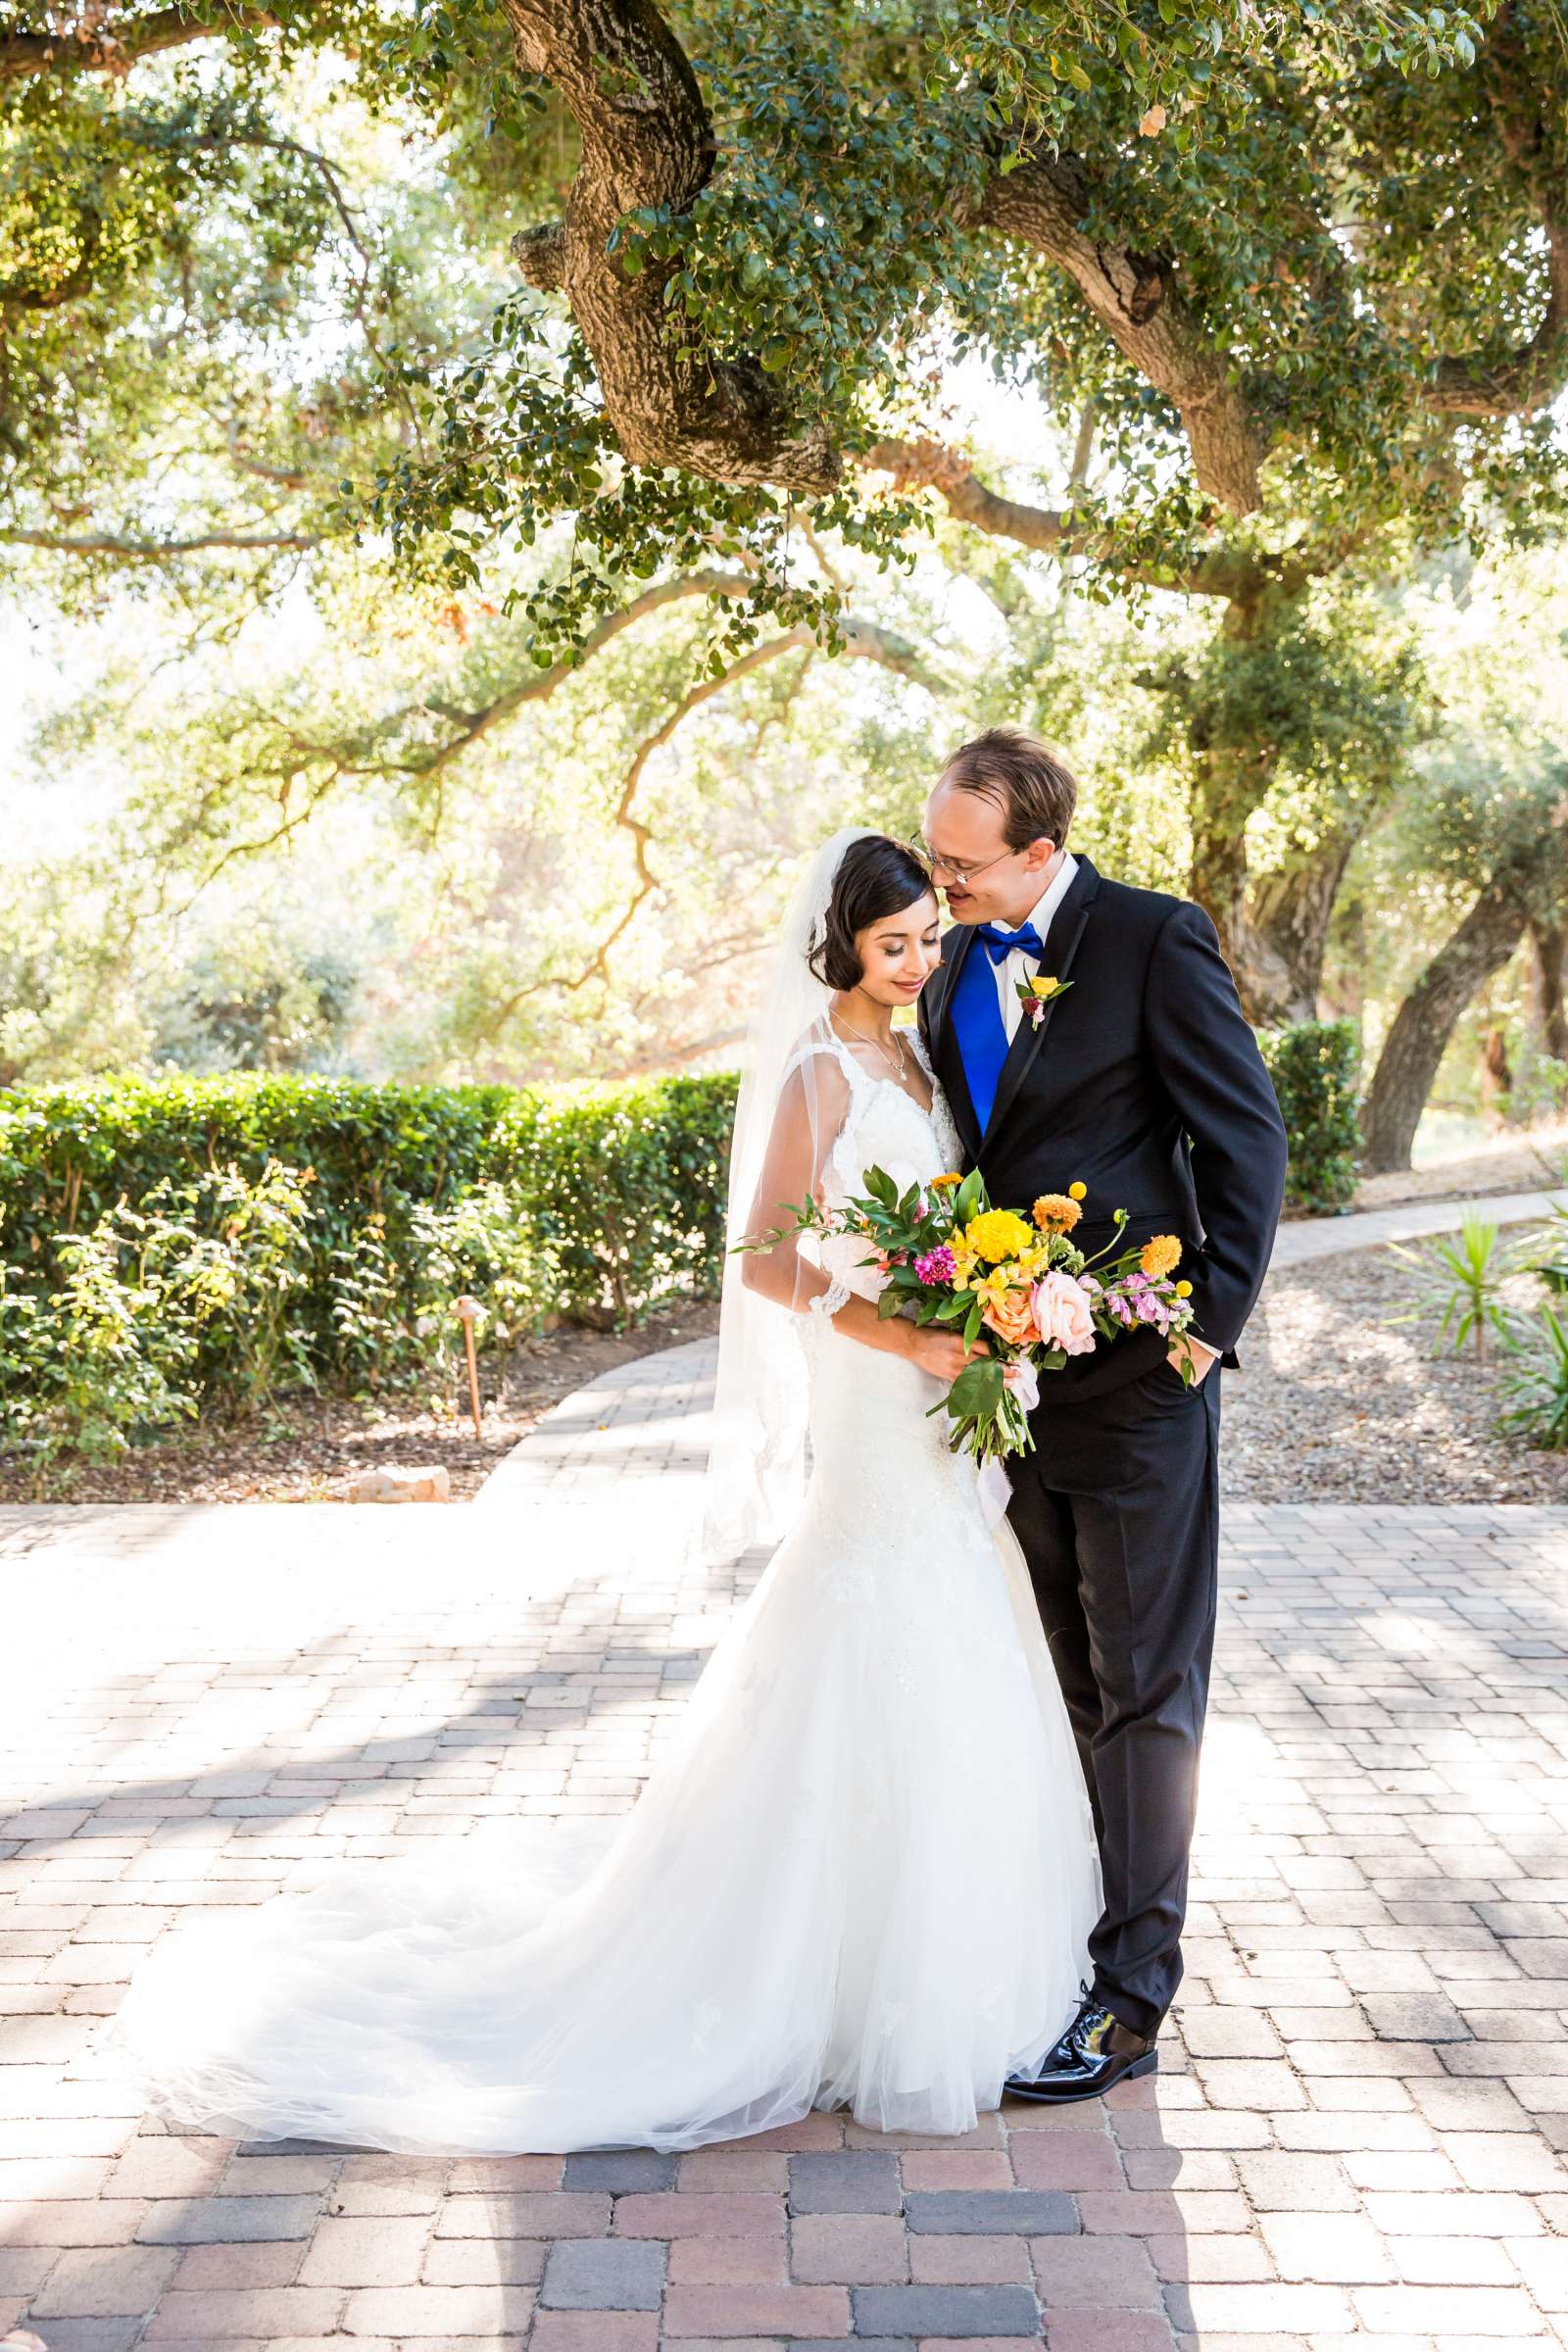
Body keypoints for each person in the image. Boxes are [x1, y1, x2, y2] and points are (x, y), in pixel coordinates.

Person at [99, 828, 1101, 2155]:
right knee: (870, 1613)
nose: (919, 964)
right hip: (875, 1392)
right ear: (840, 948)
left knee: (962, 1623)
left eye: (927, 938)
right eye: (893, 945)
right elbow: (763, 1263)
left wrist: (985, 1304)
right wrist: (903, 1332)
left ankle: (940, 1955)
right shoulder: (816, 1072)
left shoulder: (922, 1053)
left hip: (940, 1392)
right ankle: (804, 1974)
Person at [917, 726, 1289, 2103]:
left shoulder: (1151, 938)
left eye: (962, 863)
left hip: (1140, 1387)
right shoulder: (950, 961)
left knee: (1148, 1691)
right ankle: (1076, 1947)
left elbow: (1243, 1141)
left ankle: (1132, 1998)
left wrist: (1206, 1335)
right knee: (1064, 1680)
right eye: (936, 856)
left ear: (1038, 851)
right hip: (1016, 1392)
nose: (939, 879)